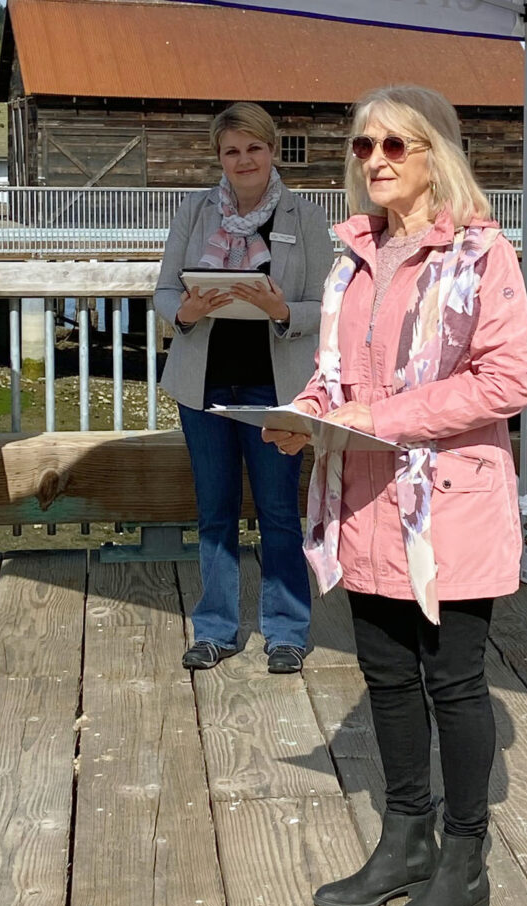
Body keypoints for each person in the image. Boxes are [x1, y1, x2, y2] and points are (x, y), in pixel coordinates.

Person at [263, 84, 527, 906]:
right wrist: (305, 413)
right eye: (361, 146)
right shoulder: (352, 255)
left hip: (445, 506)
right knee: (385, 677)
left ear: (435, 157)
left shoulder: (483, 256)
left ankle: (465, 860)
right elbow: (343, 374)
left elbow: (506, 383)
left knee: (452, 682)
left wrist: (370, 421)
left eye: (395, 146)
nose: (375, 160)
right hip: (365, 498)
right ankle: (404, 840)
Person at [154, 102, 333, 674]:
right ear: (220, 158)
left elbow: (330, 306)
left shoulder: (306, 218)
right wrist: (183, 312)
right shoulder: (193, 210)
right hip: (201, 386)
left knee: (280, 511)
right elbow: (161, 292)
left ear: (272, 150)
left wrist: (284, 311)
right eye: (232, 150)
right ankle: (216, 630)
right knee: (215, 511)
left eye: (253, 148)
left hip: (276, 389)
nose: (243, 159)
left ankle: (286, 631)